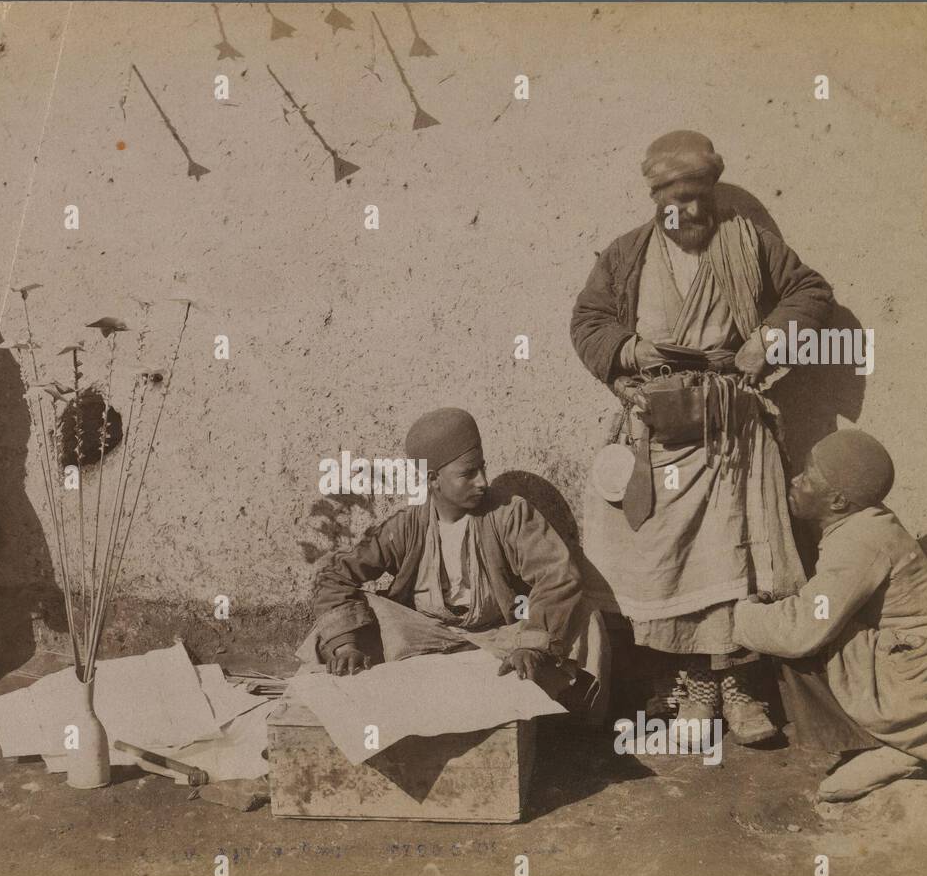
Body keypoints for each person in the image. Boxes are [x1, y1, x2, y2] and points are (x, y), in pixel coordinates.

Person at [570, 129, 835, 743]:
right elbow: (588, 321)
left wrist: (766, 341)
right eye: (673, 199)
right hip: (657, 430)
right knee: (672, 564)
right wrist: (630, 351)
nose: (685, 212)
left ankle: (742, 689)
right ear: (654, 196)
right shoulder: (626, 255)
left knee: (738, 562)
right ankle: (692, 684)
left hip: (733, 430)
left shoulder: (750, 245)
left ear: (711, 192)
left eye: (696, 197)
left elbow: (811, 293)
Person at [732, 430, 927, 801]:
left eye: (808, 477)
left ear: (839, 501)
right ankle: (907, 746)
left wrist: (740, 616)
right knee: (803, 617)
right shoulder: (867, 521)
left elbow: (800, 631)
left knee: (798, 633)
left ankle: (897, 746)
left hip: (926, 682)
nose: (795, 481)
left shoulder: (859, 540)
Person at [301, 408, 599, 701]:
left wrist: (531, 644)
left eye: (483, 467)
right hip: (420, 635)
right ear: (433, 480)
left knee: (587, 621)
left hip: (499, 636)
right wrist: (347, 646)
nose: (482, 481)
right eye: (469, 473)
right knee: (333, 631)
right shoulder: (406, 526)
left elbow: (557, 576)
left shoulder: (509, 513)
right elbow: (334, 577)